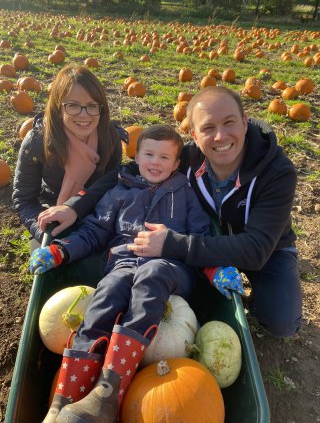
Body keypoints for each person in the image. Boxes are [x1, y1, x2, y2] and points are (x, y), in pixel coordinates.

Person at [39, 86, 302, 339]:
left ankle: (257, 301)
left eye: (229, 122)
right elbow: (127, 174)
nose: (220, 136)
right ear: (195, 137)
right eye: (208, 128)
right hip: (208, 240)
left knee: (281, 323)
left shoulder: (277, 172)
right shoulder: (187, 158)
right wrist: (75, 207)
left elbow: (256, 250)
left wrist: (173, 243)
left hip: (266, 250)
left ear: (245, 122)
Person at [30, 125, 243, 423]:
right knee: (108, 290)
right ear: (137, 155)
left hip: (171, 270)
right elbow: (94, 231)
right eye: (149, 154)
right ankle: (64, 399)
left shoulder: (185, 194)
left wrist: (214, 269)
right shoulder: (120, 192)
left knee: (153, 271)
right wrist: (60, 250)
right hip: (124, 265)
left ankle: (108, 393)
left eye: (165, 157)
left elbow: (200, 238)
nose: (156, 162)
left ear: (176, 164)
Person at [12, 63, 127, 250]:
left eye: (92, 106)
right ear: (58, 107)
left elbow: (110, 186)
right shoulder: (37, 142)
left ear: (101, 108)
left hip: (96, 216)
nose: (84, 115)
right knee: (54, 270)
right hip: (50, 213)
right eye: (73, 106)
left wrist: (75, 208)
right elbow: (24, 198)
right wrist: (46, 231)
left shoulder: (110, 138)